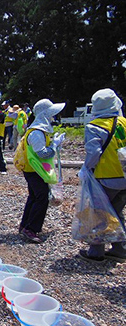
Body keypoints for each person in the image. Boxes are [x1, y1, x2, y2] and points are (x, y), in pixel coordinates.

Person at [78, 88, 126, 263]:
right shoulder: (124, 123)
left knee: (99, 214)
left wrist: (85, 169)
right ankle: (120, 249)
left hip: (106, 177)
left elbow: (94, 152)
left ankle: (96, 252)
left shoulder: (95, 126)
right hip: (124, 177)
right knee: (117, 211)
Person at [19, 99, 66, 243]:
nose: (53, 118)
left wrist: (53, 143)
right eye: (51, 115)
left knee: (34, 196)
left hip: (33, 169)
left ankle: (25, 225)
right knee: (41, 198)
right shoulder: (37, 133)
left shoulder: (37, 131)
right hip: (35, 171)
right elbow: (42, 153)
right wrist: (54, 146)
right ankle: (31, 229)